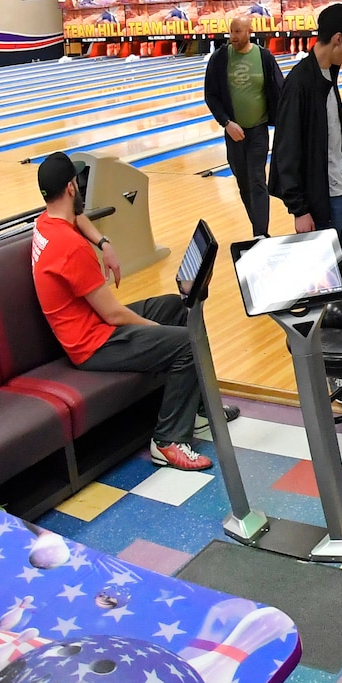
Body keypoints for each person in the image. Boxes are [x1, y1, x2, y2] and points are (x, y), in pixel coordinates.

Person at [30, 152, 229, 472]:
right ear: (71, 188)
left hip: (88, 326)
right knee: (186, 341)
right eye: (76, 182)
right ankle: (167, 441)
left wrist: (105, 243)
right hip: (92, 343)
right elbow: (114, 315)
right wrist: (153, 329)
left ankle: (199, 408)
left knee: (179, 308)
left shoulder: (48, 221)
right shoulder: (69, 248)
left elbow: (77, 217)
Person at [271, 2, 342, 271]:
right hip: (322, 201)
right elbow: (285, 152)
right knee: (328, 281)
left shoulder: (328, 74)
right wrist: (299, 209)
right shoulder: (299, 83)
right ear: (338, 39)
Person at [203, 17, 283, 238]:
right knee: (244, 183)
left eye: (238, 31)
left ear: (250, 31)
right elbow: (211, 95)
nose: (233, 36)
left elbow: (279, 88)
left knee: (257, 178)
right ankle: (257, 227)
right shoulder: (219, 58)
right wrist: (226, 122)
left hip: (258, 129)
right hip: (233, 131)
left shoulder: (264, 57)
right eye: (231, 31)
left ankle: (260, 234)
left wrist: (286, 120)